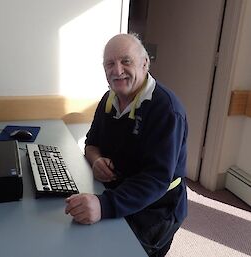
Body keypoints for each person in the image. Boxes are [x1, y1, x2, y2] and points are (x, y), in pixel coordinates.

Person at [65, 33, 188, 257]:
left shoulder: (167, 110)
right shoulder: (108, 99)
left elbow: (156, 179)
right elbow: (91, 144)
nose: (117, 70)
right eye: (109, 64)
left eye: (126, 61)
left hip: (156, 208)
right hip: (116, 191)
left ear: (145, 63)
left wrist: (104, 206)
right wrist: (96, 160)